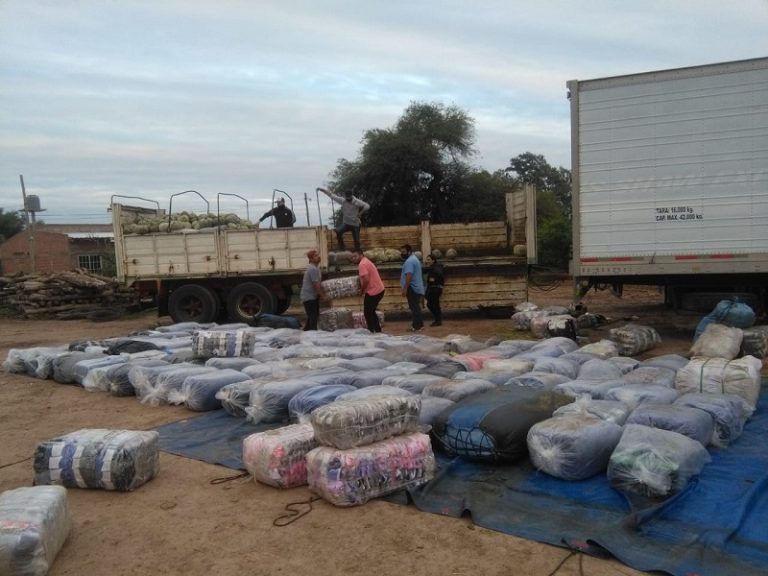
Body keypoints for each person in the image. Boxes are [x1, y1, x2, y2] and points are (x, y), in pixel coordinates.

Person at [317, 187, 370, 251]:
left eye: (349, 198)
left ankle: (358, 251)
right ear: (345, 196)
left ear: (351, 195)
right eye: (347, 198)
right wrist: (322, 190)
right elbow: (331, 195)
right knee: (338, 231)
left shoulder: (356, 201)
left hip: (355, 225)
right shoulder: (342, 200)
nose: (348, 199)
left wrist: (360, 213)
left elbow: (367, 206)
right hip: (346, 224)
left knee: (356, 240)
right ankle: (342, 248)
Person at [350, 248, 385, 333]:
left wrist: (362, 290)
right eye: (352, 257)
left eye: (355, 256)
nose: (354, 258)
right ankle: (377, 330)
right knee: (371, 311)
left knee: (368, 312)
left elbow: (366, 279)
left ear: (361, 255)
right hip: (379, 289)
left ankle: (371, 330)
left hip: (374, 291)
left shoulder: (362, 264)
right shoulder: (366, 261)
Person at [399, 244, 425, 331]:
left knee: (414, 307)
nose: (402, 254)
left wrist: (405, 288)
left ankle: (416, 326)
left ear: (409, 252)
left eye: (404, 252)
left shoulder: (409, 261)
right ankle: (419, 324)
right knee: (416, 307)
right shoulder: (414, 259)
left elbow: (409, 275)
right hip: (416, 287)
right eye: (401, 252)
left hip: (412, 288)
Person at [300, 249, 323, 330]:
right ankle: (313, 333)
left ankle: (306, 330)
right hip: (309, 297)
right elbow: (316, 285)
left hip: (312, 296)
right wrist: (322, 295)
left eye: (318, 255)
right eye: (315, 256)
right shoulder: (312, 269)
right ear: (311, 259)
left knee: (312, 316)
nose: (318, 257)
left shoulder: (316, 268)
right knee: (313, 316)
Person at [424, 252, 445, 326]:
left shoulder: (435, 268)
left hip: (435, 289)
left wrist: (432, 280)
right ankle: (438, 320)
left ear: (433, 261)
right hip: (436, 288)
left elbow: (435, 278)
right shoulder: (434, 267)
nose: (427, 261)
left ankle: (438, 320)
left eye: (429, 260)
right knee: (435, 305)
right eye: (427, 259)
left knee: (431, 305)